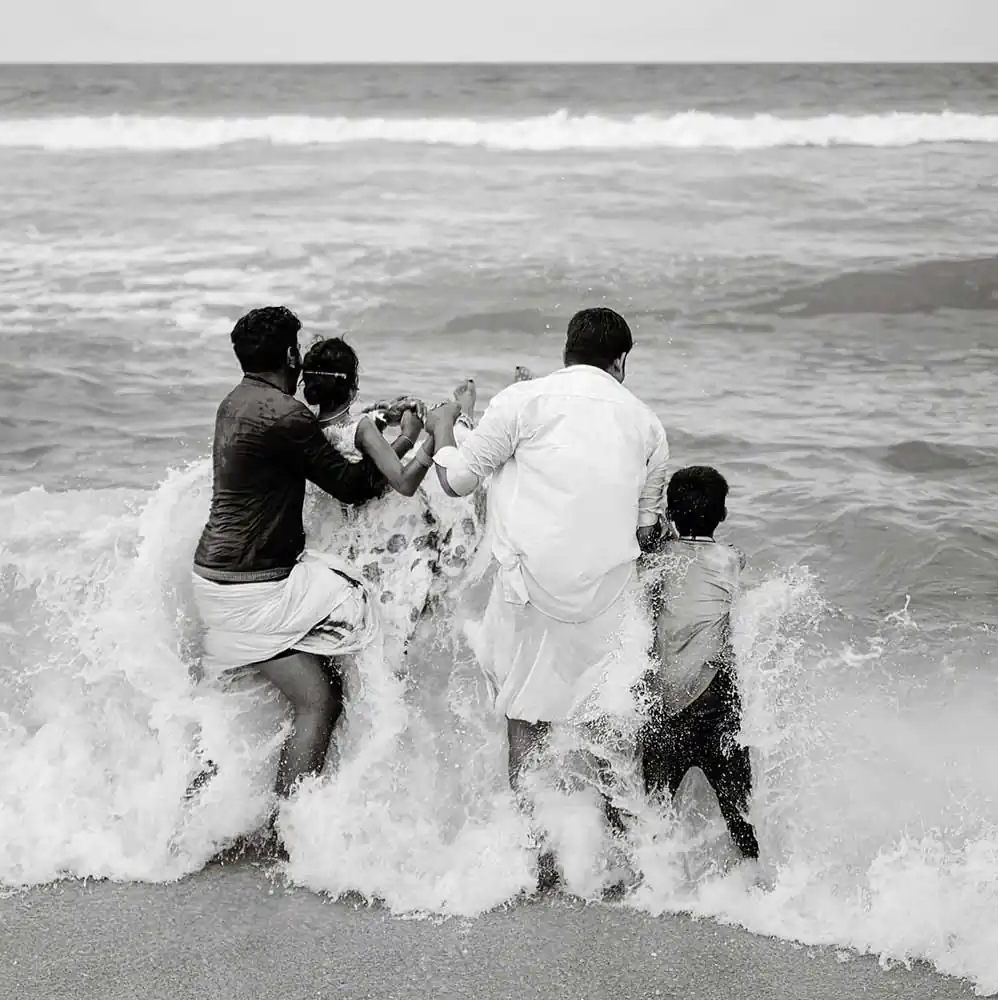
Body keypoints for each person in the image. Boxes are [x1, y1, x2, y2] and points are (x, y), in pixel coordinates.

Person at [427, 306, 669, 882]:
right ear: (620, 362)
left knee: (524, 716)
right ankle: (630, 866)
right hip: (607, 596)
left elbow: (457, 481)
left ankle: (535, 859)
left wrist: (443, 430)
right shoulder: (647, 424)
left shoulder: (522, 400)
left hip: (530, 591)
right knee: (608, 721)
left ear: (566, 351)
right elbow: (646, 531)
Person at [189, 306, 394, 829]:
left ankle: (217, 828)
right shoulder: (287, 416)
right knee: (357, 615)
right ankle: (293, 828)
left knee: (305, 695)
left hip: (213, 581)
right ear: (288, 355)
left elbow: (300, 444)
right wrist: (398, 437)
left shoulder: (233, 402)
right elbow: (354, 487)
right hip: (256, 593)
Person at [298, 336, 479, 673]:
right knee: (449, 490)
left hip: (341, 541)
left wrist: (384, 415)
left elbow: (360, 455)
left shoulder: (307, 428)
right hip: (384, 532)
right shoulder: (362, 428)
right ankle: (461, 418)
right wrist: (420, 436)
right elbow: (404, 483)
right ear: (353, 385)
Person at [639, 466, 760, 862]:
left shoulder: (656, 560)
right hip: (716, 702)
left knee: (652, 816)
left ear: (671, 514)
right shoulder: (731, 559)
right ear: (722, 514)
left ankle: (647, 882)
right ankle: (753, 878)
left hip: (665, 704)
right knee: (741, 816)